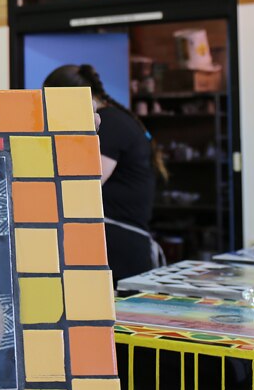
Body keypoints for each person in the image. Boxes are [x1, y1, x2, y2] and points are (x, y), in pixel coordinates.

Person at [44, 64, 168, 282]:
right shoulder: (118, 119)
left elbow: (85, 182)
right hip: (122, 243)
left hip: (122, 247)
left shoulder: (108, 123)